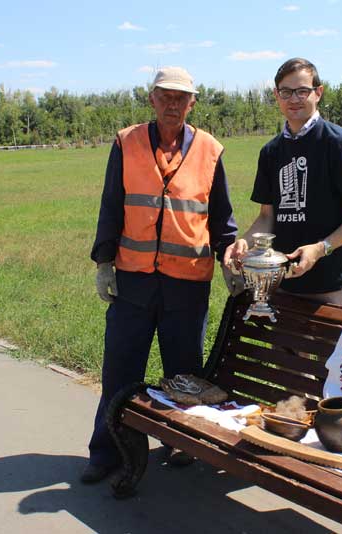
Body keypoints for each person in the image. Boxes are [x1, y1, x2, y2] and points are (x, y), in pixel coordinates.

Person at [84, 66, 238, 483]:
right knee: (120, 371)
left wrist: (230, 258)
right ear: (151, 99)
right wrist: (104, 262)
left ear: (192, 103)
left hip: (187, 285)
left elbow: (221, 218)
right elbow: (111, 204)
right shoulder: (126, 142)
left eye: (181, 97)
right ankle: (107, 452)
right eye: (165, 96)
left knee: (184, 376)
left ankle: (182, 447)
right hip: (133, 282)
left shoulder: (210, 150)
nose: (173, 104)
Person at [224, 58, 342, 307]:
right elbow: (266, 216)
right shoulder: (271, 152)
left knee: (328, 347)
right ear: (276, 95)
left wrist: (321, 248)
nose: (294, 99)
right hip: (281, 281)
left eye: (302, 91)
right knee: (282, 347)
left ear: (318, 93)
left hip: (329, 284)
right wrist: (244, 242)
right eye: (286, 92)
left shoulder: (338, 144)